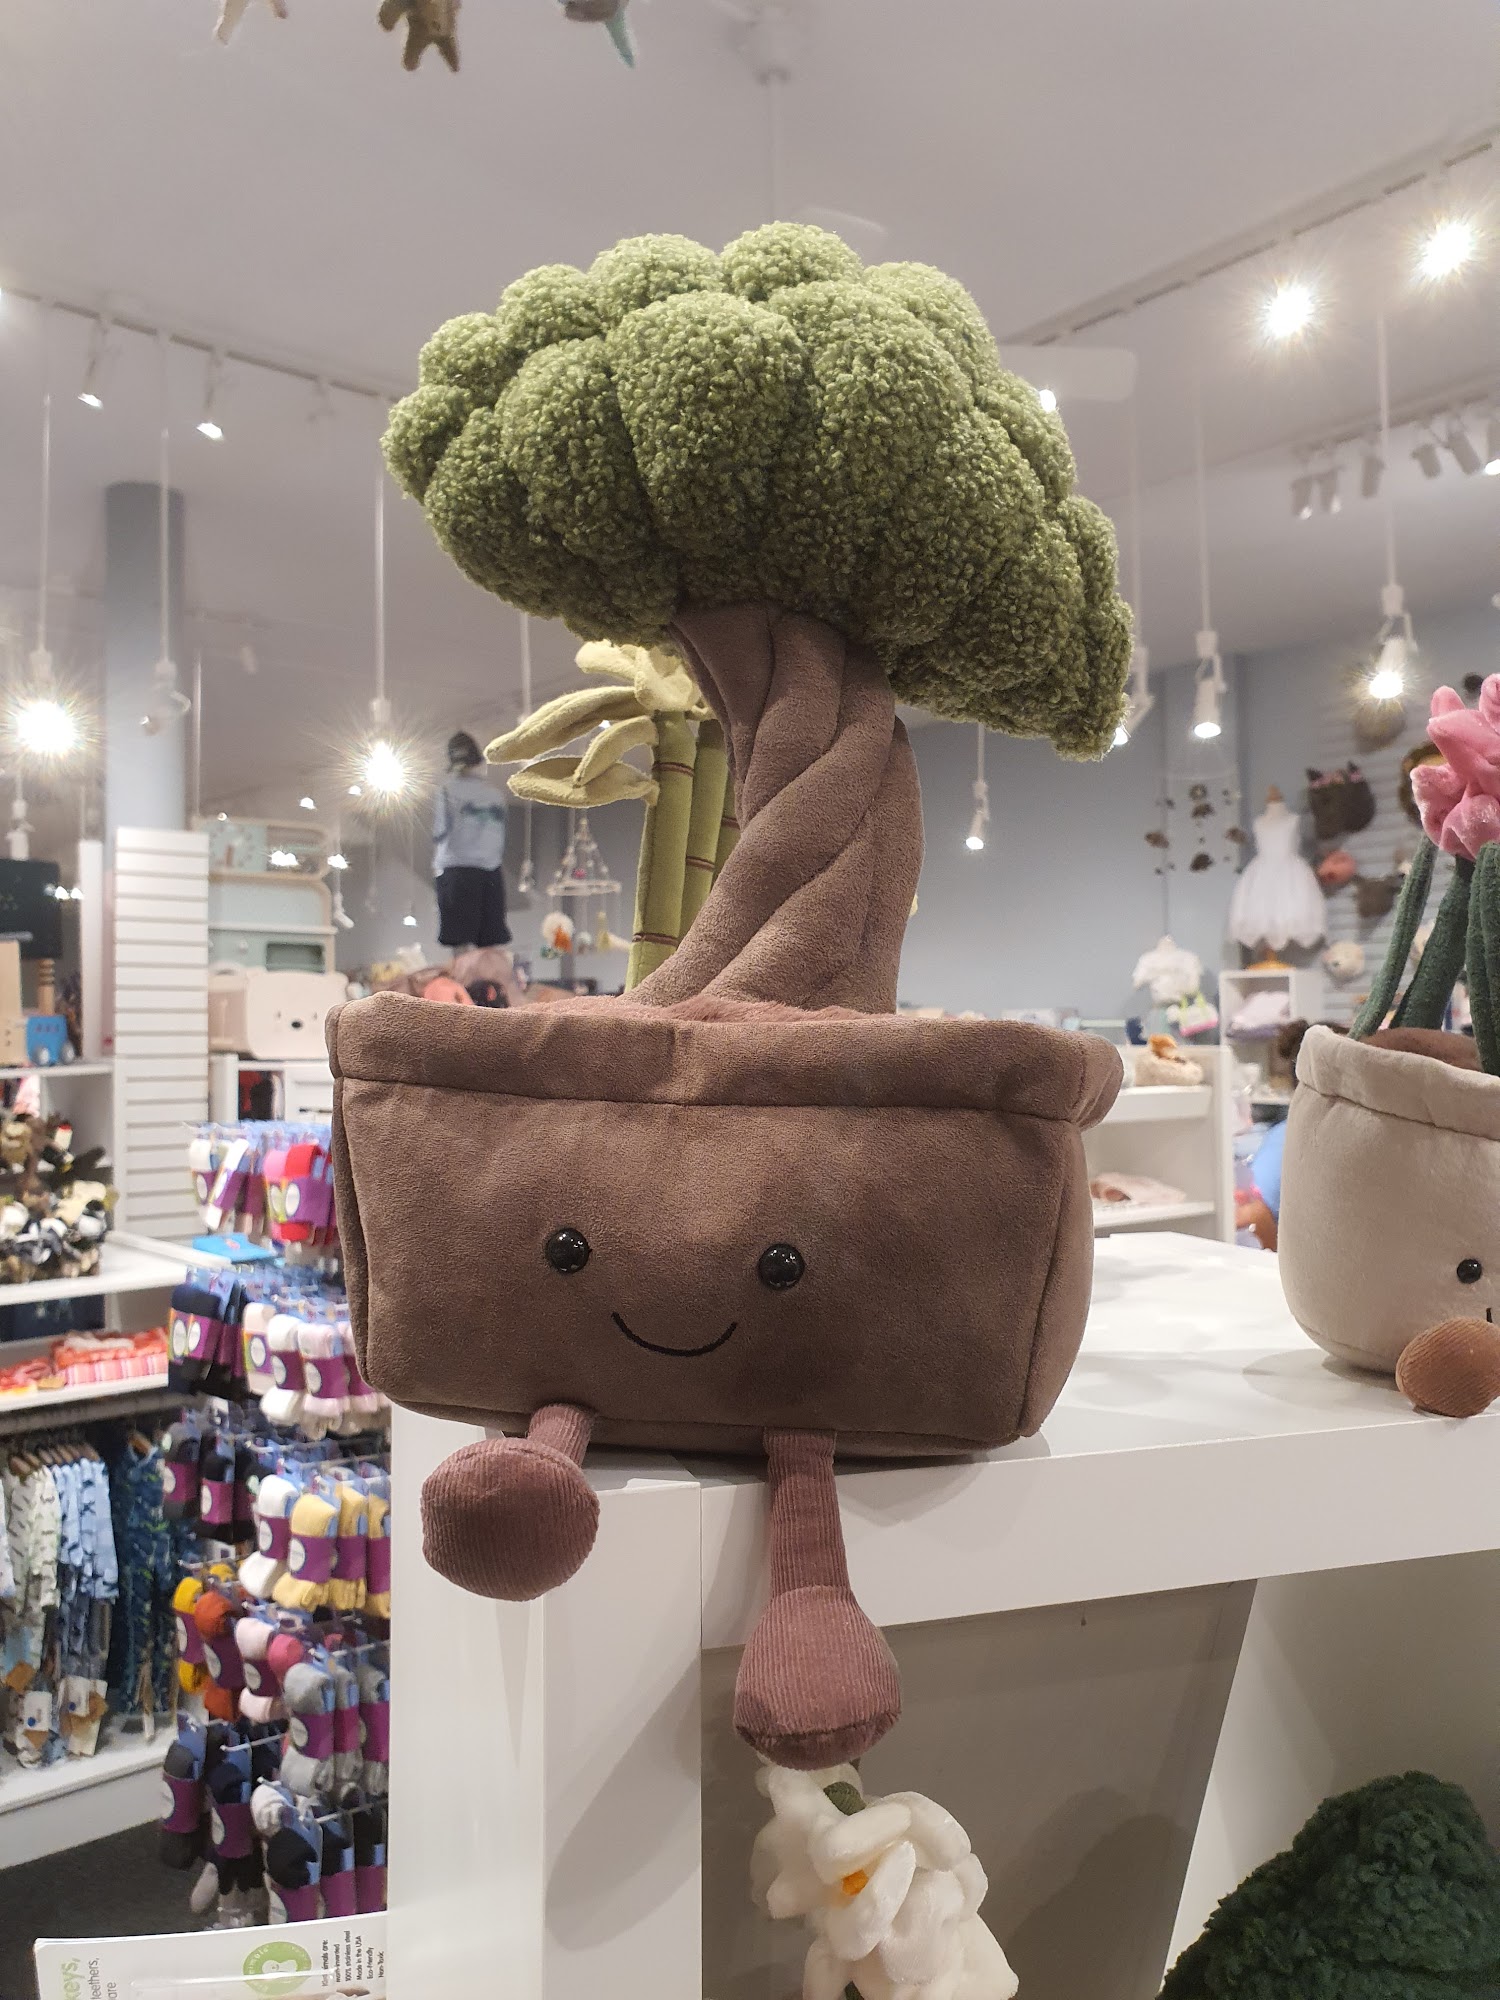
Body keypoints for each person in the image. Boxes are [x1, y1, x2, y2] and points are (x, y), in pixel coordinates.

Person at [432, 731, 511, 948]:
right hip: (491, 871)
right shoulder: (496, 795)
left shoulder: (446, 791)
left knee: (459, 942)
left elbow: (439, 831)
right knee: (490, 941)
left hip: (457, 870)